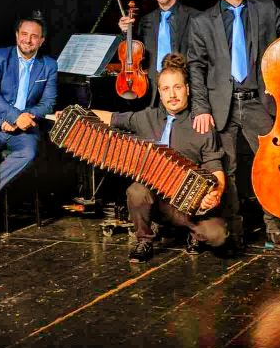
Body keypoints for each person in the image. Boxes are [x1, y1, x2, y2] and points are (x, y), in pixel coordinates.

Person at [187, 0, 280, 252]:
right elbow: (195, 67)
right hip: (219, 106)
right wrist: (201, 108)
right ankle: (234, 233)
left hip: (259, 101)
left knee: (271, 166)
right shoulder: (203, 21)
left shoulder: (267, 9)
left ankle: (275, 230)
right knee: (226, 171)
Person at [90, 53, 228, 262]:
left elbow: (215, 167)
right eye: (166, 89)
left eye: (177, 87)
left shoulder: (201, 124)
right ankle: (144, 240)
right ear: (160, 93)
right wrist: (73, 113)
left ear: (188, 89)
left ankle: (193, 235)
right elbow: (112, 118)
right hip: (156, 203)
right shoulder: (147, 117)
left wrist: (216, 193)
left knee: (218, 236)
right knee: (137, 191)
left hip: (188, 207)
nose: (172, 94)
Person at [0, 11, 57, 241]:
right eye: (24, 34)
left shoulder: (49, 65)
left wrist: (23, 120)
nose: (28, 40)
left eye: (34, 36)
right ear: (17, 35)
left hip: (24, 129)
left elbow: (48, 103)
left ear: (42, 40)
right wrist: (14, 118)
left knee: (29, 153)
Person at [118, 0, 200, 105]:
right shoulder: (145, 21)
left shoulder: (196, 17)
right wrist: (126, 32)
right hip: (153, 94)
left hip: (184, 92)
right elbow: (136, 55)